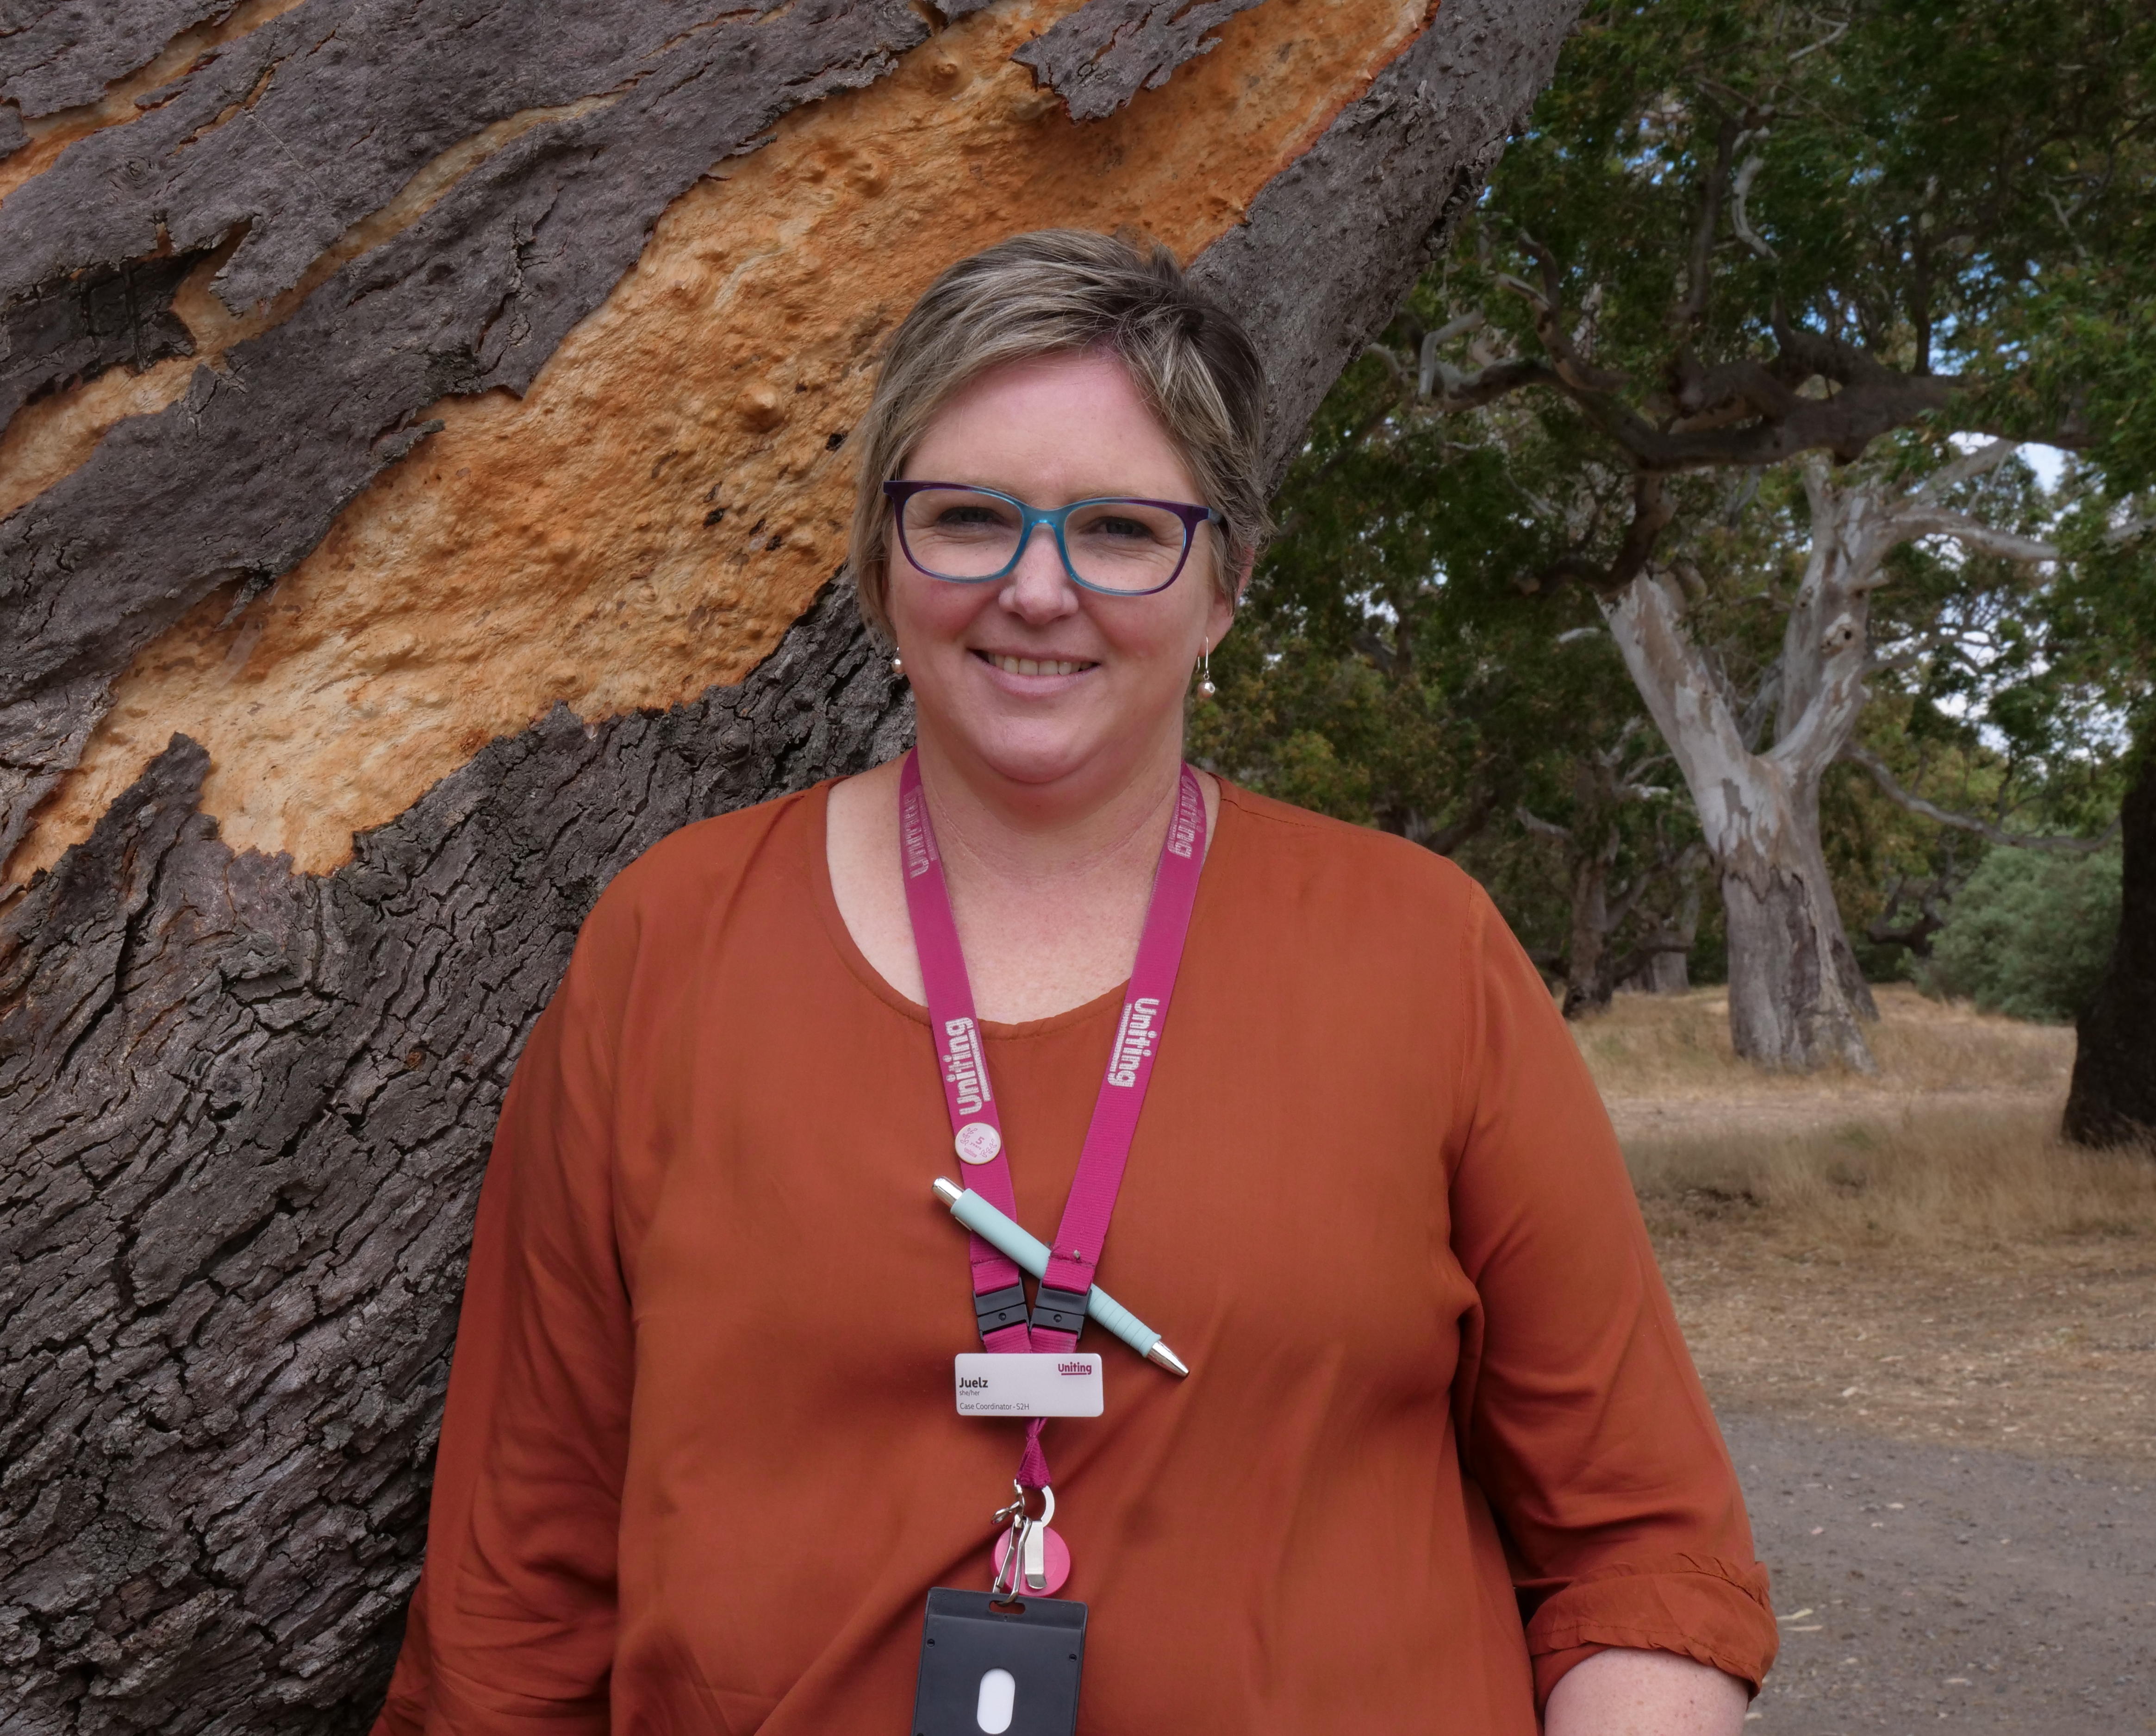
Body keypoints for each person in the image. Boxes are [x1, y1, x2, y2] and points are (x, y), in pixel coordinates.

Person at [373, 230, 1776, 1736]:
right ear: (878, 566)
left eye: (1118, 531)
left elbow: (1644, 1553)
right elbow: (518, 1603)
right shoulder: (674, 941)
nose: (1038, 591)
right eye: (969, 518)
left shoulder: (1425, 951)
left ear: (1223, 586)